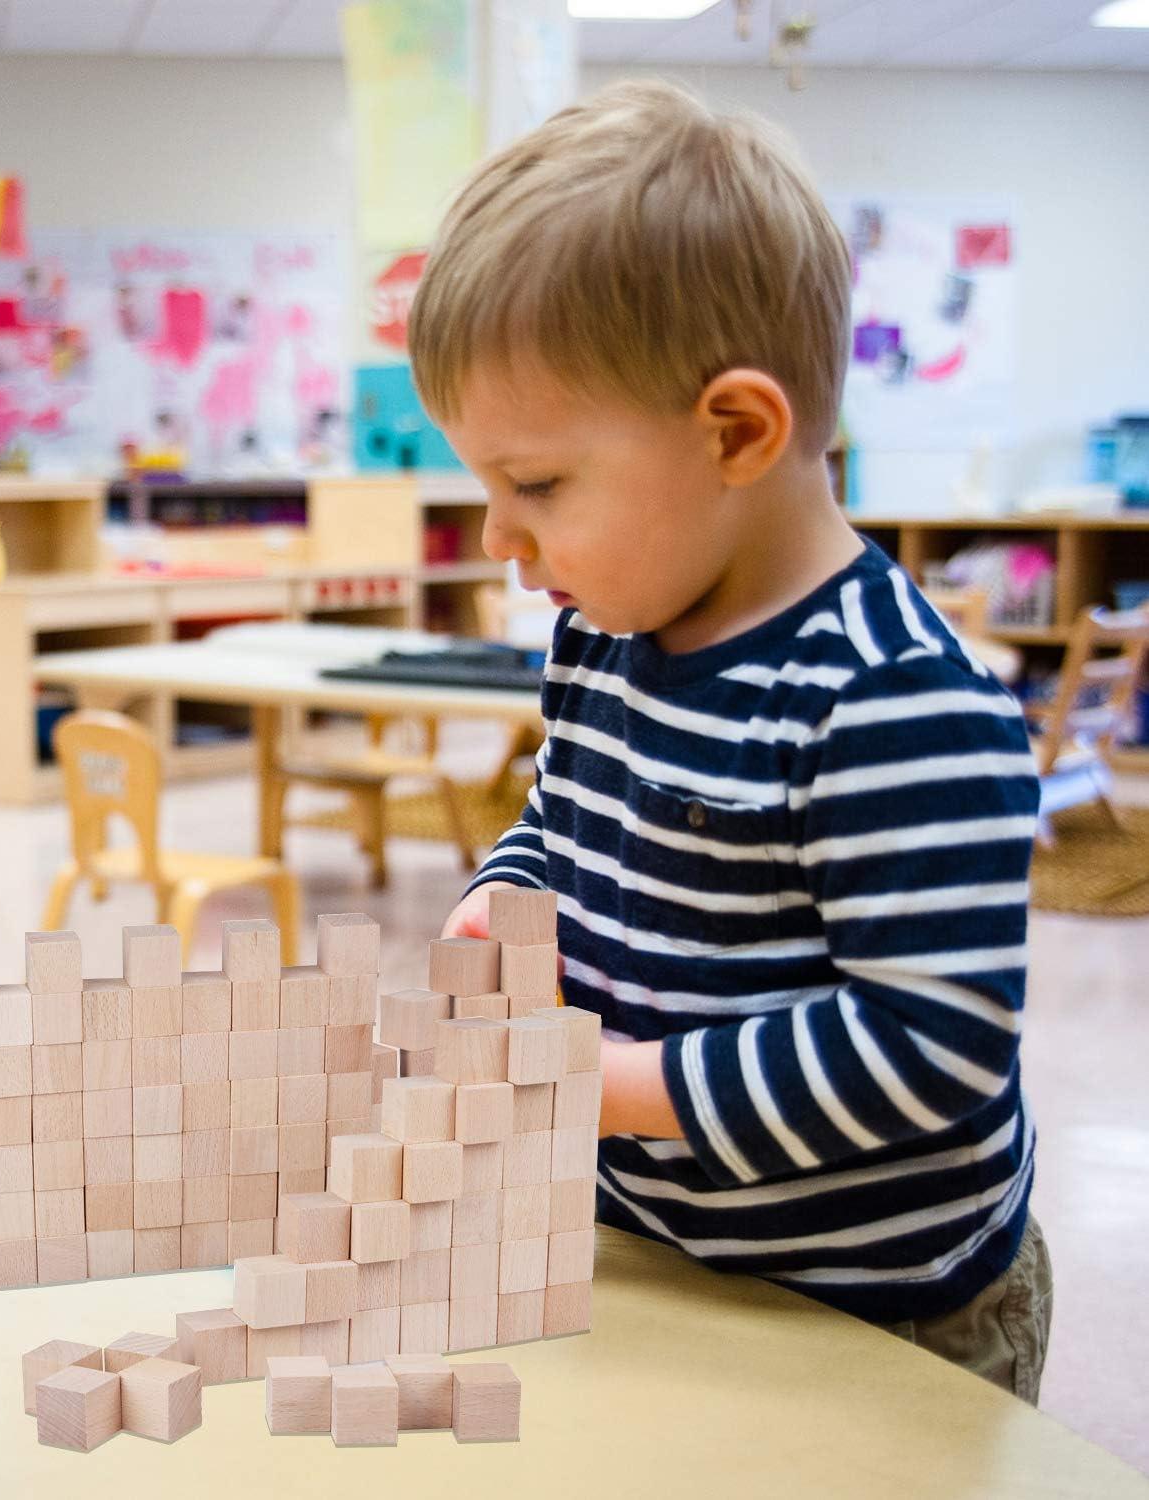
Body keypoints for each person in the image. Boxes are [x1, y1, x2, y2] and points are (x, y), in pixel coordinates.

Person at [410, 79, 1050, 1402]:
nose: (499, 539)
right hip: (672, 1254)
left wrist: (608, 1085)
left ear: (739, 433)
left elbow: (929, 1051)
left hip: (883, 1316)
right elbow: (564, 822)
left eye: (534, 484)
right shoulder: (604, 627)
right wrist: (503, 897)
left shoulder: (894, 703)